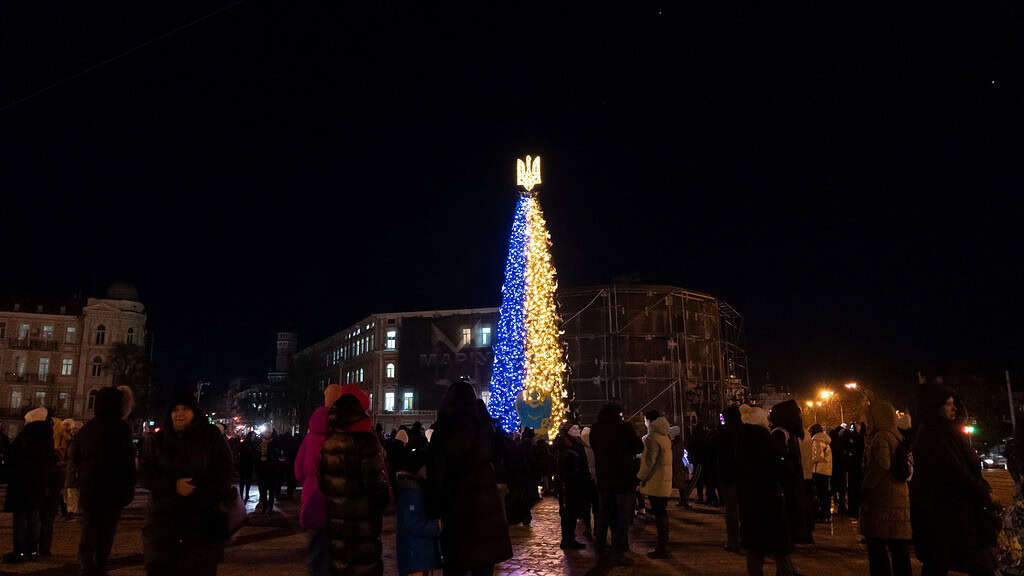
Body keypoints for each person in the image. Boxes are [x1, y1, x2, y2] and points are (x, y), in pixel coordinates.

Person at [140, 392, 234, 576]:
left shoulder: (210, 437)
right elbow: (146, 473)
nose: (179, 414)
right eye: (175, 410)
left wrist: (200, 489)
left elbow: (224, 472)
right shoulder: (157, 440)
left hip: (202, 525)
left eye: (185, 409)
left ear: (194, 412)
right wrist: (172, 486)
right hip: (164, 526)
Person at [911, 381, 997, 576]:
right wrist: (982, 491)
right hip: (946, 514)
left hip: (952, 513)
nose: (953, 408)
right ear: (936, 406)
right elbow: (955, 472)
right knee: (971, 563)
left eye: (953, 403)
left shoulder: (946, 432)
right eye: (948, 404)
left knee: (938, 563)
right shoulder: (934, 435)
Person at [427, 381, 512, 576]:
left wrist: (433, 506)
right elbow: (501, 454)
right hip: (485, 511)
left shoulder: (446, 427)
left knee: (456, 566)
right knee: (483, 565)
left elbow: (437, 469)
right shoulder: (485, 427)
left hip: (458, 511)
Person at [320, 384, 389, 576]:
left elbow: (323, 484)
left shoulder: (328, 443)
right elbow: (378, 488)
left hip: (337, 529)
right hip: (363, 530)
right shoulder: (366, 442)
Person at [71, 387, 136, 576]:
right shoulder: (122, 428)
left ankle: (85, 563)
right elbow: (128, 460)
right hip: (113, 489)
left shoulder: (88, 427)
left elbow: (75, 457)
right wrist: (129, 486)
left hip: (90, 487)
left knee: (89, 527)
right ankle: (100, 564)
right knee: (106, 531)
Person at [738, 403, 797, 576]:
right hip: (769, 499)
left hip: (750, 501)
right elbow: (779, 468)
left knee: (754, 551)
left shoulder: (742, 440)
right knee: (779, 548)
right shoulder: (765, 438)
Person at [860, 400, 912, 576]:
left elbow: (882, 464)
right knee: (899, 547)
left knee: (878, 547)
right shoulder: (898, 436)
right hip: (898, 496)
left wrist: (867, 486)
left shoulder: (881, 437)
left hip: (882, 499)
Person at [589, 402, 643, 567]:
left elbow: (594, 447)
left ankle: (600, 548)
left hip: (604, 480)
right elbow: (638, 446)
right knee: (622, 518)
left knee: (604, 516)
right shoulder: (624, 427)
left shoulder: (596, 429)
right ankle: (618, 552)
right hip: (623, 479)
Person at [3, 407, 58, 564]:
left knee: (21, 519)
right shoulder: (47, 437)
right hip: (38, 483)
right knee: (34, 518)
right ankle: (32, 550)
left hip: (21, 483)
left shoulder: (26, 436)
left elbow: (12, 457)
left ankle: (19, 552)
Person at [295, 404, 330, 576]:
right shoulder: (333, 438)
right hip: (329, 490)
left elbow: (298, 470)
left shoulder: (308, 440)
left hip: (310, 492)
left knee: (314, 539)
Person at [395, 451, 442, 576]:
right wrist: (436, 526)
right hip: (414, 555)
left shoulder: (416, 488)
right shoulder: (411, 491)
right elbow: (411, 522)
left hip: (419, 555)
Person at [637, 410, 673, 559]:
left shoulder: (651, 438)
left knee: (659, 514)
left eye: (645, 420)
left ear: (648, 420)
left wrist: (640, 477)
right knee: (662, 513)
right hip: (664, 481)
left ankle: (661, 547)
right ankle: (664, 543)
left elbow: (649, 462)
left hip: (655, 481)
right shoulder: (665, 436)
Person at [554, 425, 587, 550]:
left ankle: (570, 538)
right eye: (574, 429)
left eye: (578, 428)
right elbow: (563, 469)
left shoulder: (575, 444)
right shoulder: (566, 446)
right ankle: (567, 540)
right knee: (568, 512)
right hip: (568, 485)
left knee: (572, 512)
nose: (577, 430)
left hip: (574, 483)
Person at [718, 405, 743, 553]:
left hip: (728, 475)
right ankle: (741, 539)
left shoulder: (725, 433)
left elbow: (721, 455)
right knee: (740, 510)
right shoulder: (743, 431)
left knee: (731, 511)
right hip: (741, 475)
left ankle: (733, 541)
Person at [809, 423, 833, 523]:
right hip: (826, 470)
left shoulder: (817, 440)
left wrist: (809, 461)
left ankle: (822, 515)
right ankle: (826, 514)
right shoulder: (825, 439)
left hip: (819, 470)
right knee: (825, 493)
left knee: (820, 493)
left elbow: (818, 456)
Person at [670, 425, 691, 509]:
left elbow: (678, 454)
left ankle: (684, 501)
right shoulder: (676, 442)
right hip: (676, 465)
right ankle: (683, 500)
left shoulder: (677, 443)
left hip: (677, 465)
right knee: (680, 485)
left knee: (681, 485)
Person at [239, 432, 257, 502]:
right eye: (252, 436)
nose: (253, 438)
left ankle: (244, 494)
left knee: (244, 481)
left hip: (246, 464)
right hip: (246, 464)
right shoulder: (249, 444)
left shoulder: (247, 443)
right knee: (245, 481)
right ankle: (244, 494)